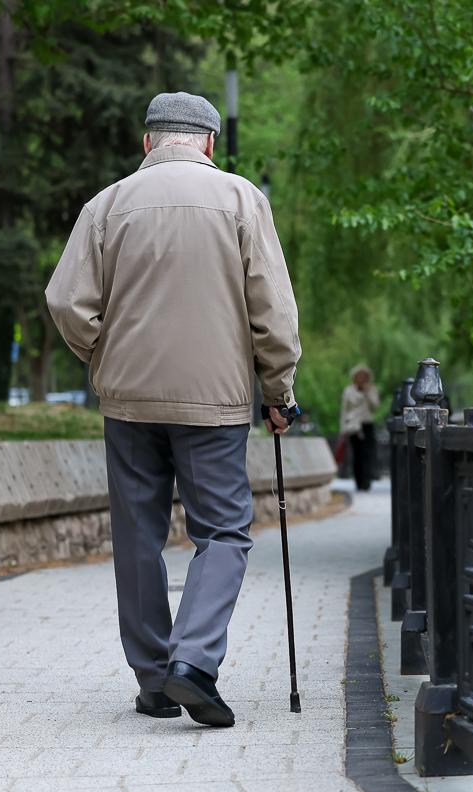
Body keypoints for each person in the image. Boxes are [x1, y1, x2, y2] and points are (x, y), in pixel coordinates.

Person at [45, 92, 301, 728]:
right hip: (212, 402)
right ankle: (194, 662)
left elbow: (65, 302)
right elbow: (273, 313)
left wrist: (102, 356)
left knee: (138, 536)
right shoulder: (243, 200)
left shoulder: (105, 205)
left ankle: (155, 680)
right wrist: (278, 392)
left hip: (128, 399)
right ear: (210, 143)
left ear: (148, 142)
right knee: (222, 530)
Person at [339, 364, 379, 491]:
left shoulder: (371, 389)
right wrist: (343, 429)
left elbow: (375, 405)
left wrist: (367, 393)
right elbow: (344, 410)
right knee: (357, 454)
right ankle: (359, 481)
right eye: (359, 376)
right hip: (353, 427)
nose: (361, 378)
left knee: (367, 454)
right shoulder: (348, 390)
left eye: (364, 376)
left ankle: (366, 482)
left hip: (367, 424)